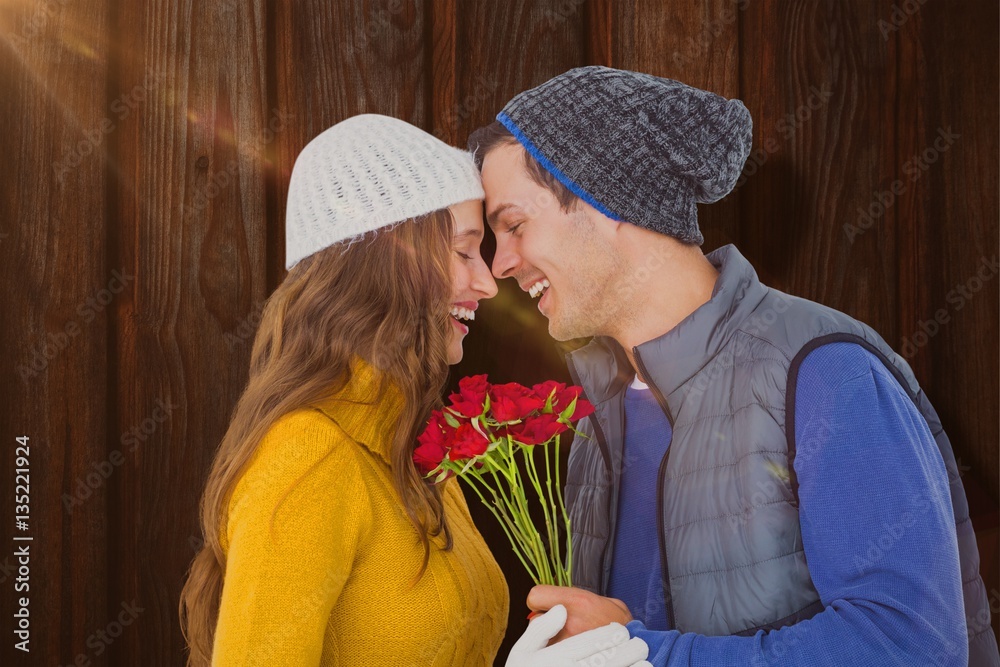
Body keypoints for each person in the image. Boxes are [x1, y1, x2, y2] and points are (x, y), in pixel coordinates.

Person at [469, 66, 1000, 666]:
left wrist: (642, 655)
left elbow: (910, 647)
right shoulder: (603, 411)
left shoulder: (825, 373)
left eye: (513, 226)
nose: (500, 265)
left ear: (606, 197)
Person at [178, 113, 651, 667]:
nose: (487, 283)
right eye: (462, 251)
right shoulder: (307, 455)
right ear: (383, 261)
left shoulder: (419, 458)